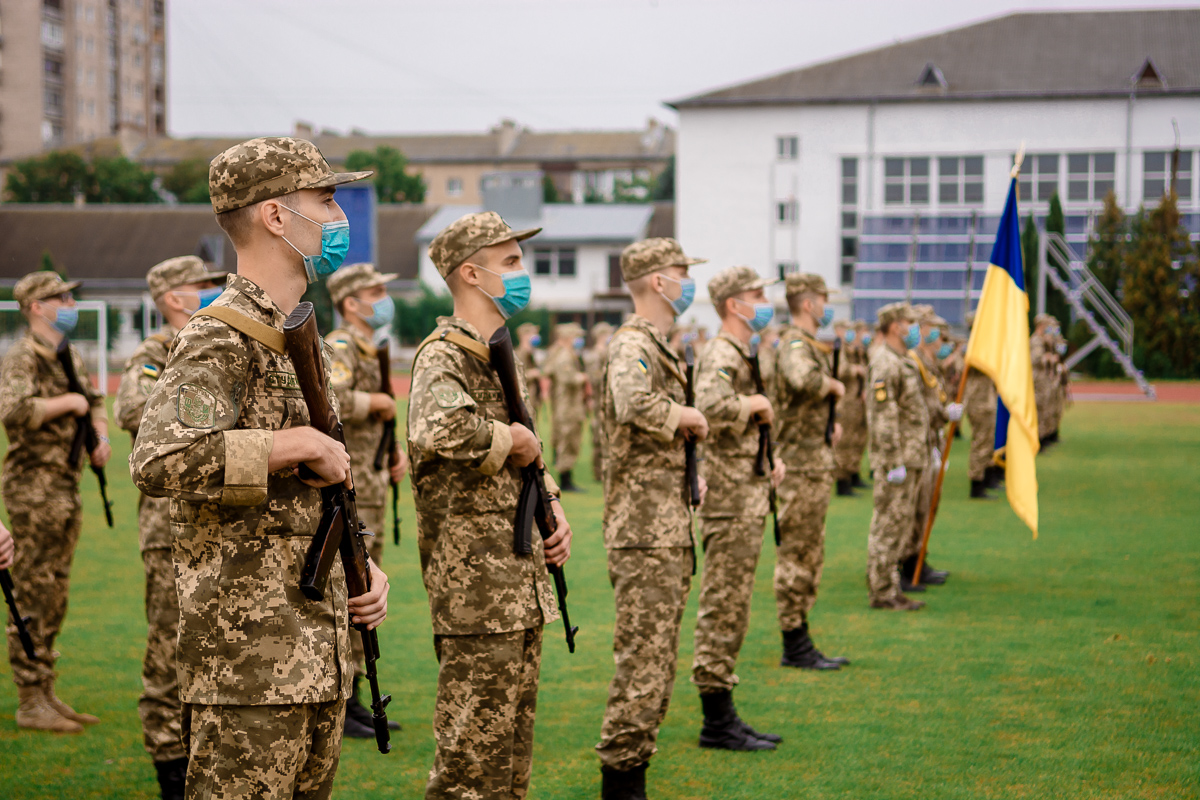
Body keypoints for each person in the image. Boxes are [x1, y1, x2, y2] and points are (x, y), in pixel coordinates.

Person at [130, 136, 390, 799]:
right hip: (248, 665)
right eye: (325, 201)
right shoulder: (219, 333)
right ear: (276, 215)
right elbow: (159, 457)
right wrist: (288, 444)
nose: (340, 218)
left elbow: (314, 496)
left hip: (314, 653)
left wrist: (359, 567)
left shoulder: (296, 333)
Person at [408, 211, 573, 799]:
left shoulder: (495, 351)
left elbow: (529, 452)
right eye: (511, 262)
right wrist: (513, 441)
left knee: (509, 763)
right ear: (472, 274)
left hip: (518, 583)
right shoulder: (443, 356)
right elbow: (438, 428)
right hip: (476, 591)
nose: (522, 273)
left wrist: (551, 502)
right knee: (468, 768)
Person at [595, 238, 710, 800]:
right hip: (643, 532)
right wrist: (685, 414)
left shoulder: (658, 344)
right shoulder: (633, 343)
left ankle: (631, 774)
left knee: (658, 662)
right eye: (681, 271)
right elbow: (631, 401)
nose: (689, 281)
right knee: (643, 663)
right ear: (657, 281)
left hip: (664, 527)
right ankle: (621, 782)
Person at [114, 255, 227, 797]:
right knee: (168, 646)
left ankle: (203, 752)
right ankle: (168, 761)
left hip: (215, 523)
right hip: (167, 529)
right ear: (173, 298)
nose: (212, 290)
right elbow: (131, 411)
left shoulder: (214, 343)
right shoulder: (154, 354)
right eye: (201, 285)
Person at [0, 270, 110, 733]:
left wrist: (100, 436)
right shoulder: (22, 357)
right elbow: (13, 410)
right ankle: (30, 698)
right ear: (35, 307)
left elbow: (94, 399)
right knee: (31, 589)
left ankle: (45, 687)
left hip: (65, 485)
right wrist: (69, 404)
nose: (70, 304)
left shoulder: (69, 354)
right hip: (32, 490)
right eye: (60, 297)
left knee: (55, 590)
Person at [690, 265, 784, 752]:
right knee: (723, 605)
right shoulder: (722, 353)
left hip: (745, 494)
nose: (765, 301)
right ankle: (716, 720)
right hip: (728, 500)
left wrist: (768, 458)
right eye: (757, 293)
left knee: (735, 606)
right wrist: (754, 404)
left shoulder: (742, 350)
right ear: (733, 303)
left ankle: (724, 712)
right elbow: (710, 408)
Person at [324, 262, 408, 740]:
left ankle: (354, 696)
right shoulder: (340, 344)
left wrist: (391, 451)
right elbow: (331, 397)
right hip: (348, 489)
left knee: (366, 593)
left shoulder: (370, 345)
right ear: (351, 302)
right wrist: (374, 403)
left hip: (370, 487)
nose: (383, 299)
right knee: (351, 593)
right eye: (375, 292)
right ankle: (346, 699)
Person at [772, 274, 851, 668]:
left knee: (810, 554)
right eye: (823, 299)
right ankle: (794, 641)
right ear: (808, 304)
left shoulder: (809, 342)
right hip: (799, 467)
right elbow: (801, 378)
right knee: (796, 555)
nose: (827, 306)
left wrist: (827, 425)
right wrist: (831, 386)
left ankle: (801, 635)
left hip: (814, 463)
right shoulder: (795, 343)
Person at [865, 302, 929, 611]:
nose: (915, 329)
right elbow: (884, 415)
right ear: (895, 327)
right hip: (898, 459)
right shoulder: (886, 362)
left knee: (899, 525)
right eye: (910, 322)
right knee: (888, 526)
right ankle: (882, 591)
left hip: (911, 455)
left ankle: (890, 587)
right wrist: (893, 461)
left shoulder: (902, 360)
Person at [898, 307, 958, 591]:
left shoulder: (927, 361)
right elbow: (919, 405)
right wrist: (945, 413)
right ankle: (905, 564)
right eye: (934, 329)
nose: (939, 336)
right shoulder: (913, 360)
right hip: (915, 442)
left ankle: (918, 559)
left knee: (926, 507)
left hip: (929, 439)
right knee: (913, 509)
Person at [543, 321, 589, 492]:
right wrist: (582, 377)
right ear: (569, 337)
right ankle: (566, 480)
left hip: (569, 406)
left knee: (568, 441)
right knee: (568, 441)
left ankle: (567, 478)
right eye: (576, 336)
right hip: (568, 407)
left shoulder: (566, 354)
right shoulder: (564, 356)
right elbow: (567, 378)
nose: (579, 340)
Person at [964, 312, 1000, 498]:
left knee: (987, 441)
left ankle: (986, 477)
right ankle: (976, 484)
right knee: (980, 442)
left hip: (986, 400)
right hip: (978, 402)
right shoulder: (973, 347)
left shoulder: (982, 346)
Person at [832, 318, 869, 496]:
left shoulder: (855, 350)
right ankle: (842, 481)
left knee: (856, 440)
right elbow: (838, 370)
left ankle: (853, 473)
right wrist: (855, 369)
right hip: (845, 403)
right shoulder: (839, 349)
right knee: (844, 442)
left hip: (855, 402)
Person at [582, 321, 614, 483]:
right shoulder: (595, 355)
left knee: (607, 434)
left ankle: (605, 469)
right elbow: (594, 378)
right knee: (599, 436)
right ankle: (599, 471)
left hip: (606, 401)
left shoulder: (606, 353)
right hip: (598, 401)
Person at [515, 322, 547, 419]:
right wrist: (532, 373)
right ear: (524, 336)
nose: (536, 336)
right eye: (533, 333)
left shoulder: (531, 353)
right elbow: (515, 376)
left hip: (532, 399)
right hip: (524, 400)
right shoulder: (519, 354)